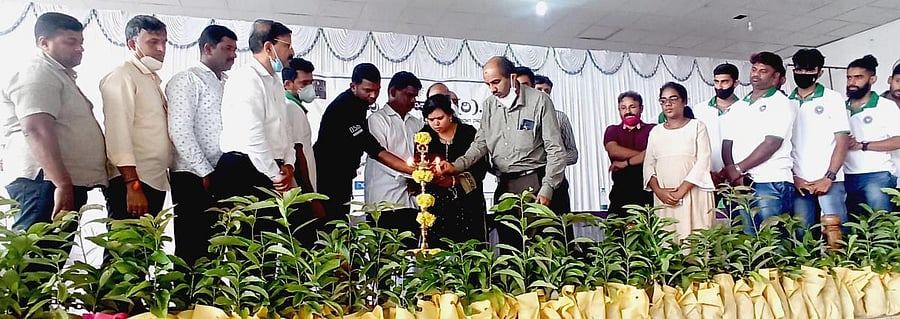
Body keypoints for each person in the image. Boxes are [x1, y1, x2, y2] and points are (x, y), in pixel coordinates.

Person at [442, 56, 565, 248]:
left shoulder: (539, 100)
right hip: (505, 185)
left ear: (512, 77)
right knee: (509, 247)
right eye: (488, 84)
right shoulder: (490, 105)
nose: (492, 89)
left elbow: (556, 149)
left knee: (539, 248)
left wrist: (548, 187)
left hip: (534, 182)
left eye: (496, 82)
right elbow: (480, 144)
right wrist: (456, 166)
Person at [2, 12, 107, 231]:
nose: (80, 48)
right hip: (44, 182)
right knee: (37, 248)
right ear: (44, 43)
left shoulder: (58, 74)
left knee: (54, 250)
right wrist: (62, 184)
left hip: (56, 181)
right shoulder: (38, 72)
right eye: (71, 42)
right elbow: (36, 129)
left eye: (81, 42)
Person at [214, 19, 295, 235]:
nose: (292, 52)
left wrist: (289, 163)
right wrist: (276, 176)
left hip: (270, 170)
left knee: (267, 242)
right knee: (248, 243)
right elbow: (253, 136)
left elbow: (285, 128)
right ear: (268, 47)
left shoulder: (275, 81)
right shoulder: (246, 79)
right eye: (287, 46)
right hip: (244, 170)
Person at [165, 25, 236, 264]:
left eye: (235, 49)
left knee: (216, 244)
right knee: (193, 244)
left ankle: (210, 289)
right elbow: (179, 130)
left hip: (220, 172)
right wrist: (204, 171)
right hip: (193, 174)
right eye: (227, 48)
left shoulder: (227, 82)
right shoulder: (186, 79)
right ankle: (188, 290)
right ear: (208, 48)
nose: (233, 55)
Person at [314, 63, 414, 225]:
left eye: (377, 90)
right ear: (353, 86)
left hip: (342, 177)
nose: (373, 95)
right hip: (328, 177)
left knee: (339, 226)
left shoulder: (360, 104)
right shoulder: (345, 107)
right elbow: (374, 149)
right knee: (332, 227)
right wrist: (414, 171)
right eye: (367, 90)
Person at [100, 15, 170, 219]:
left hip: (153, 178)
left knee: (146, 239)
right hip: (133, 181)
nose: (161, 49)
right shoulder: (123, 75)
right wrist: (132, 184)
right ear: (132, 44)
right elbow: (118, 133)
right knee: (126, 239)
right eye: (153, 42)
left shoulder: (148, 77)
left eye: (164, 42)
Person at [721, 52, 797, 234]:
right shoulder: (738, 106)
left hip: (770, 180)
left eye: (763, 71)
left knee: (771, 239)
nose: (756, 74)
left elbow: (771, 143)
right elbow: (727, 142)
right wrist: (732, 171)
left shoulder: (781, 102)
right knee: (746, 239)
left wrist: (738, 169)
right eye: (754, 69)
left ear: (776, 76)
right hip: (741, 183)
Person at [787, 49, 850, 230]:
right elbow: (783, 145)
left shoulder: (832, 98)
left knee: (837, 232)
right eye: (799, 69)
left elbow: (842, 141)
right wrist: (794, 177)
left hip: (830, 180)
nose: (803, 74)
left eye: (809, 70)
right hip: (799, 181)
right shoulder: (786, 102)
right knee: (803, 233)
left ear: (820, 72)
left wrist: (829, 177)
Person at [643, 82, 715, 240]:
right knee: (668, 241)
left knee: (696, 241)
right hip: (665, 197)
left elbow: (703, 161)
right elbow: (648, 165)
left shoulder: (697, 126)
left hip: (694, 193)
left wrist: (682, 190)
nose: (667, 104)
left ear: (684, 101)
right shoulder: (655, 131)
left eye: (673, 99)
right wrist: (659, 191)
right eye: (663, 100)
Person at [420, 94, 489, 247]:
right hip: (437, 203)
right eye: (431, 119)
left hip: (469, 200)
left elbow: (480, 167)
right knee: (438, 248)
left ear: (450, 115)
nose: (436, 123)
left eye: (440, 118)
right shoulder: (424, 137)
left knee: (471, 247)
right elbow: (421, 165)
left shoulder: (468, 133)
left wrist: (455, 180)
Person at [364, 71, 423, 244]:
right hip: (384, 201)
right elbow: (380, 157)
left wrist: (420, 179)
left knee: (411, 253)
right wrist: (413, 175)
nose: (413, 100)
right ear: (392, 92)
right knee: (384, 255)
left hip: (412, 201)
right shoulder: (377, 120)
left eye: (415, 96)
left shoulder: (417, 123)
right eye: (409, 95)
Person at [843, 55, 900, 216]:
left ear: (872, 79)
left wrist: (862, 145)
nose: (852, 82)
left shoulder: (886, 106)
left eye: (858, 77)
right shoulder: (841, 107)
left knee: (881, 224)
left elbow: (898, 140)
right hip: (846, 175)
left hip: (877, 174)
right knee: (854, 225)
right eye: (849, 77)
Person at [691, 64, 746, 210]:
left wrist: (736, 170)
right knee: (706, 218)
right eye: (716, 82)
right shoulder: (699, 110)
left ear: (736, 83)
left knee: (741, 219)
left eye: (725, 82)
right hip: (709, 175)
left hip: (738, 175)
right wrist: (707, 171)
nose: (720, 86)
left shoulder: (745, 108)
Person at [604, 91, 655, 218]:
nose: (628, 111)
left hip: (647, 192)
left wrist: (626, 162)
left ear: (641, 108)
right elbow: (614, 151)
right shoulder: (612, 130)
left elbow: (658, 153)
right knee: (615, 229)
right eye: (623, 108)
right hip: (620, 193)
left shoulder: (653, 130)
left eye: (632, 107)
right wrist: (645, 155)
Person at [532, 74, 577, 214]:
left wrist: (553, 160)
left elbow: (573, 154)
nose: (544, 94)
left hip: (557, 181)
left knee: (559, 223)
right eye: (539, 90)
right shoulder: (521, 117)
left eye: (547, 91)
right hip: (530, 180)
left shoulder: (560, 118)